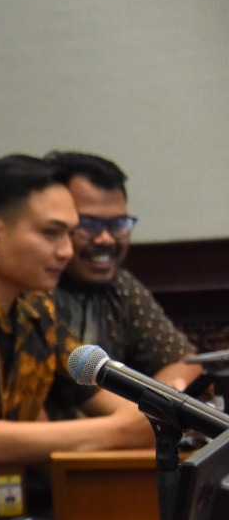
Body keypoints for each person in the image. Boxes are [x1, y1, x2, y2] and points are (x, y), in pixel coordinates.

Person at [0, 155, 152, 516]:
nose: (67, 251)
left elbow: (99, 394)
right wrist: (116, 432)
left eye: (70, 233)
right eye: (51, 233)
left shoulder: (38, 309)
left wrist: (145, 417)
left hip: (17, 512)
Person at [44, 150, 200, 410]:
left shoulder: (119, 286)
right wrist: (139, 416)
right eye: (89, 224)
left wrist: (153, 406)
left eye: (118, 224)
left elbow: (184, 362)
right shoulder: (31, 290)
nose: (106, 239)